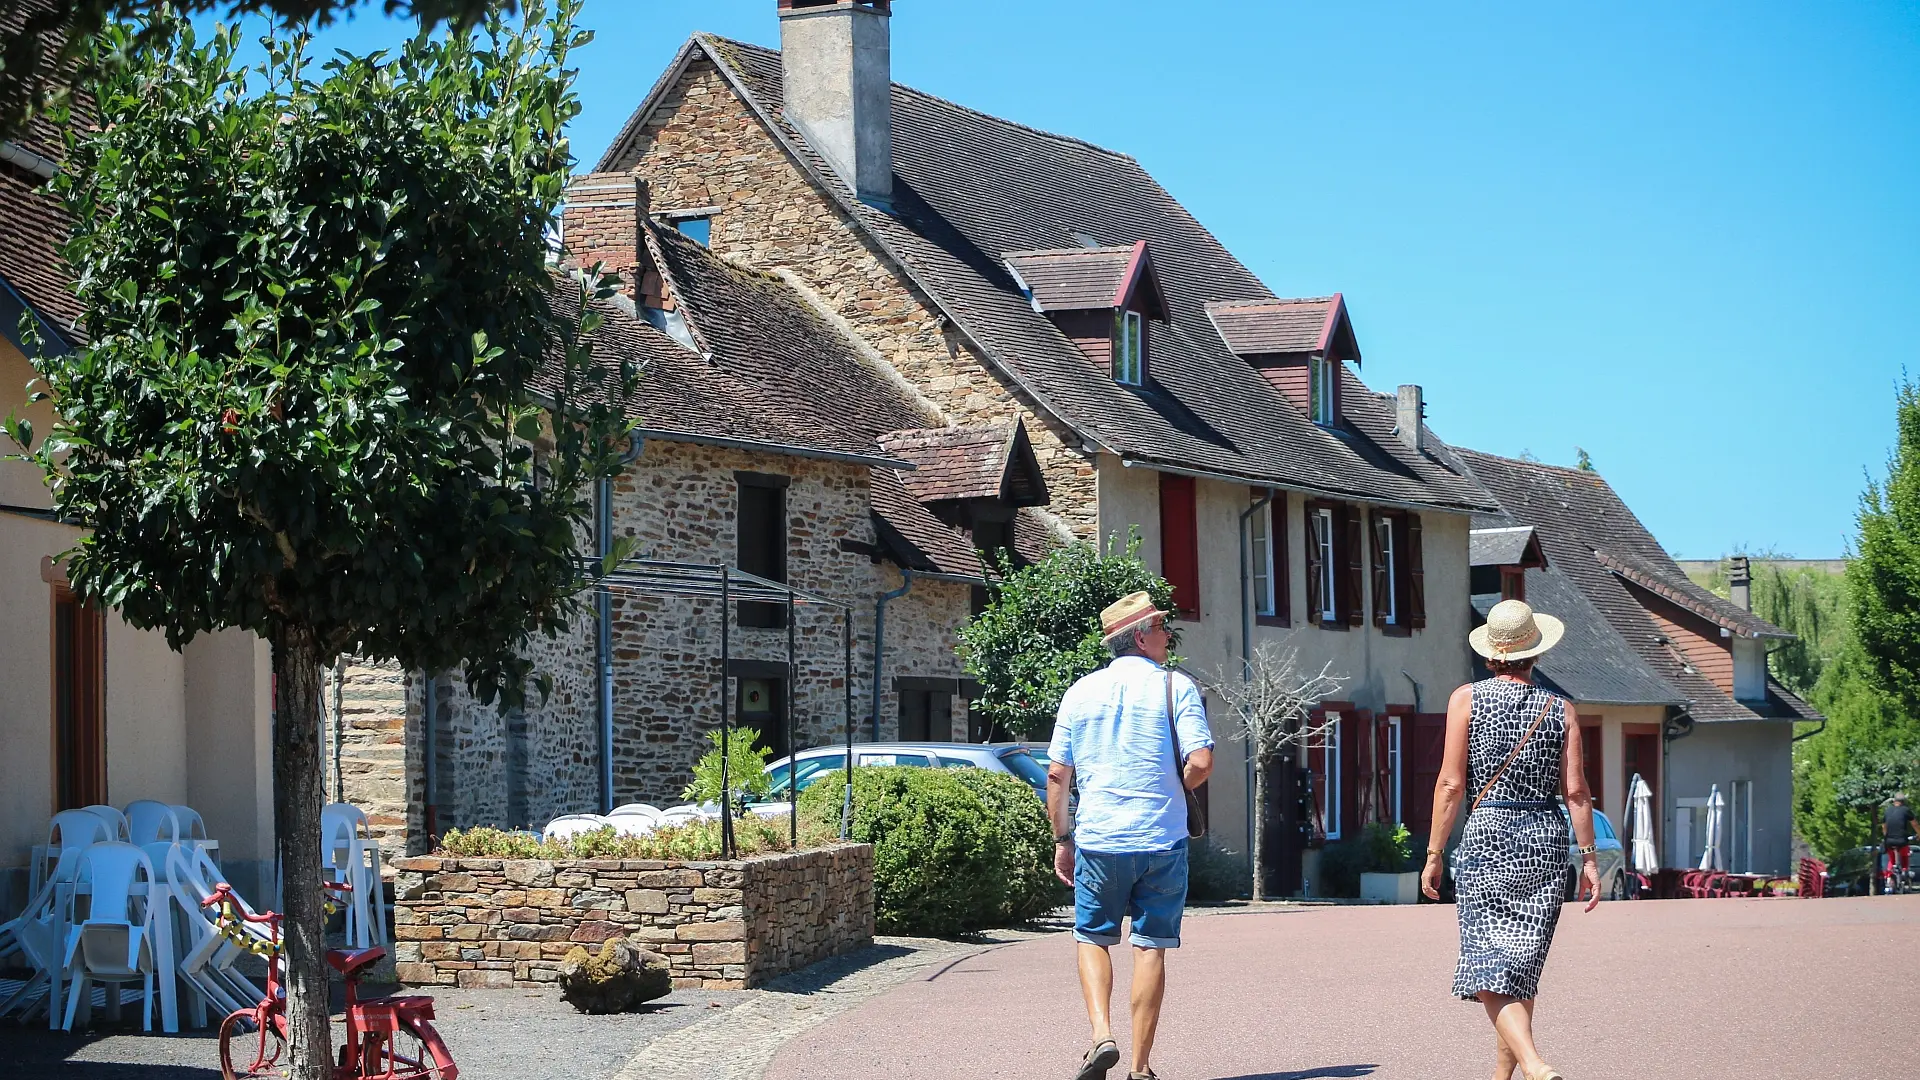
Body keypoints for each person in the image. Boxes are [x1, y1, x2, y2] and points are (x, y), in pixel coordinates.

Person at [1422, 599, 1602, 1080]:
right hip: (1543, 838)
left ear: (1490, 654)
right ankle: (1506, 1076)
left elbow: (1450, 785)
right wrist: (1588, 860)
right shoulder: (1560, 708)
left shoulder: (1466, 699)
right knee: (1519, 963)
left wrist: (1435, 852)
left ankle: (1534, 1064)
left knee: (1488, 965)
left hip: (1488, 836)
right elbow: (1577, 792)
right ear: (1536, 652)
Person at [1047, 591, 1213, 1080]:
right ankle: (1139, 1069)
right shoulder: (1176, 687)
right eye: (1161, 628)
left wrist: (1062, 838)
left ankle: (1102, 1035)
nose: (1168, 635)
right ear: (1140, 637)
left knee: (1091, 938)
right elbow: (1201, 762)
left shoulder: (1079, 692)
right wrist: (1171, 786)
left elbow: (1058, 774)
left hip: (1099, 839)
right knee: (1151, 944)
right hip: (1162, 839)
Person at [1884, 792, 1916, 891]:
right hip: (1902, 841)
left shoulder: (1887, 810)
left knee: (1891, 860)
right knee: (1905, 856)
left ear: (1894, 801)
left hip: (1889, 841)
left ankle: (1888, 877)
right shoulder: (1906, 810)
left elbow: (1884, 826)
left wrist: (1886, 836)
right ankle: (1905, 871)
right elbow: (1914, 824)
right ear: (1903, 802)